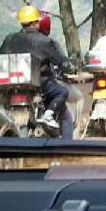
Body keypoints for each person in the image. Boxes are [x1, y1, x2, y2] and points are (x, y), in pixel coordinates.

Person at [0, 5, 72, 129]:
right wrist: (67, 66)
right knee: (62, 92)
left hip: (9, 82)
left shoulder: (9, 38)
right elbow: (62, 62)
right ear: (35, 23)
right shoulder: (45, 41)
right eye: (37, 21)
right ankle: (48, 115)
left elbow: (0, 57)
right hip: (39, 82)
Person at [36, 10, 76, 139]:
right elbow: (62, 62)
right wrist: (69, 68)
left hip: (14, 84)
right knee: (65, 116)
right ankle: (68, 147)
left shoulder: (16, 39)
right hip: (43, 84)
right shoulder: (48, 43)